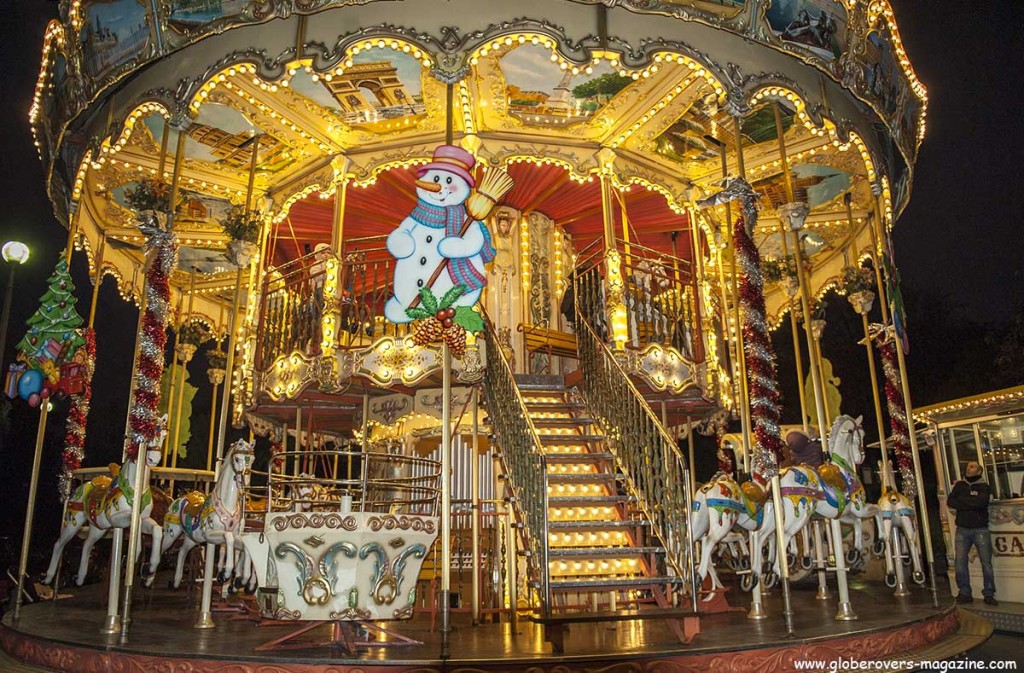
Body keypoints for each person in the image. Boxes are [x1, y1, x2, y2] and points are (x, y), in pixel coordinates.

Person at [946, 461, 997, 605]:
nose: (969, 467)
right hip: (962, 528)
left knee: (986, 562)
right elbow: (951, 501)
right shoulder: (959, 486)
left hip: (980, 528)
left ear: (979, 471)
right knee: (960, 561)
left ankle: (989, 593)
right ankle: (964, 592)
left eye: (973, 466)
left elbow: (981, 502)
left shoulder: (984, 487)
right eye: (968, 465)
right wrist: (971, 502)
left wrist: (963, 502)